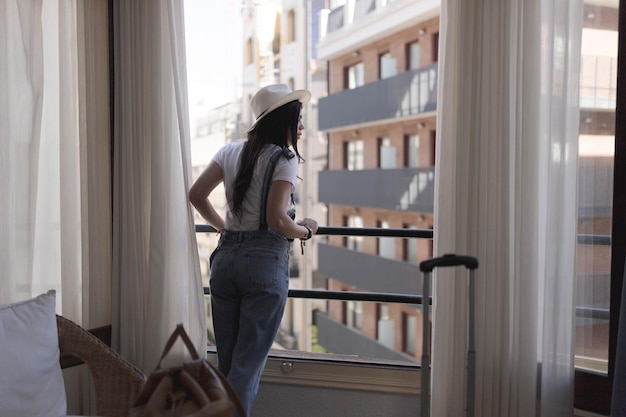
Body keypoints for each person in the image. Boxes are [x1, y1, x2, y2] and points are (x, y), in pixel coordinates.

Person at [189, 84, 319, 416]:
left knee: (229, 365)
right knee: (245, 373)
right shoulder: (284, 158)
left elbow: (196, 195)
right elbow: (277, 220)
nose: (302, 124)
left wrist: (223, 226)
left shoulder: (229, 151)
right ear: (282, 119)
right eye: (298, 117)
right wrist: (304, 230)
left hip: (225, 261)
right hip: (263, 265)